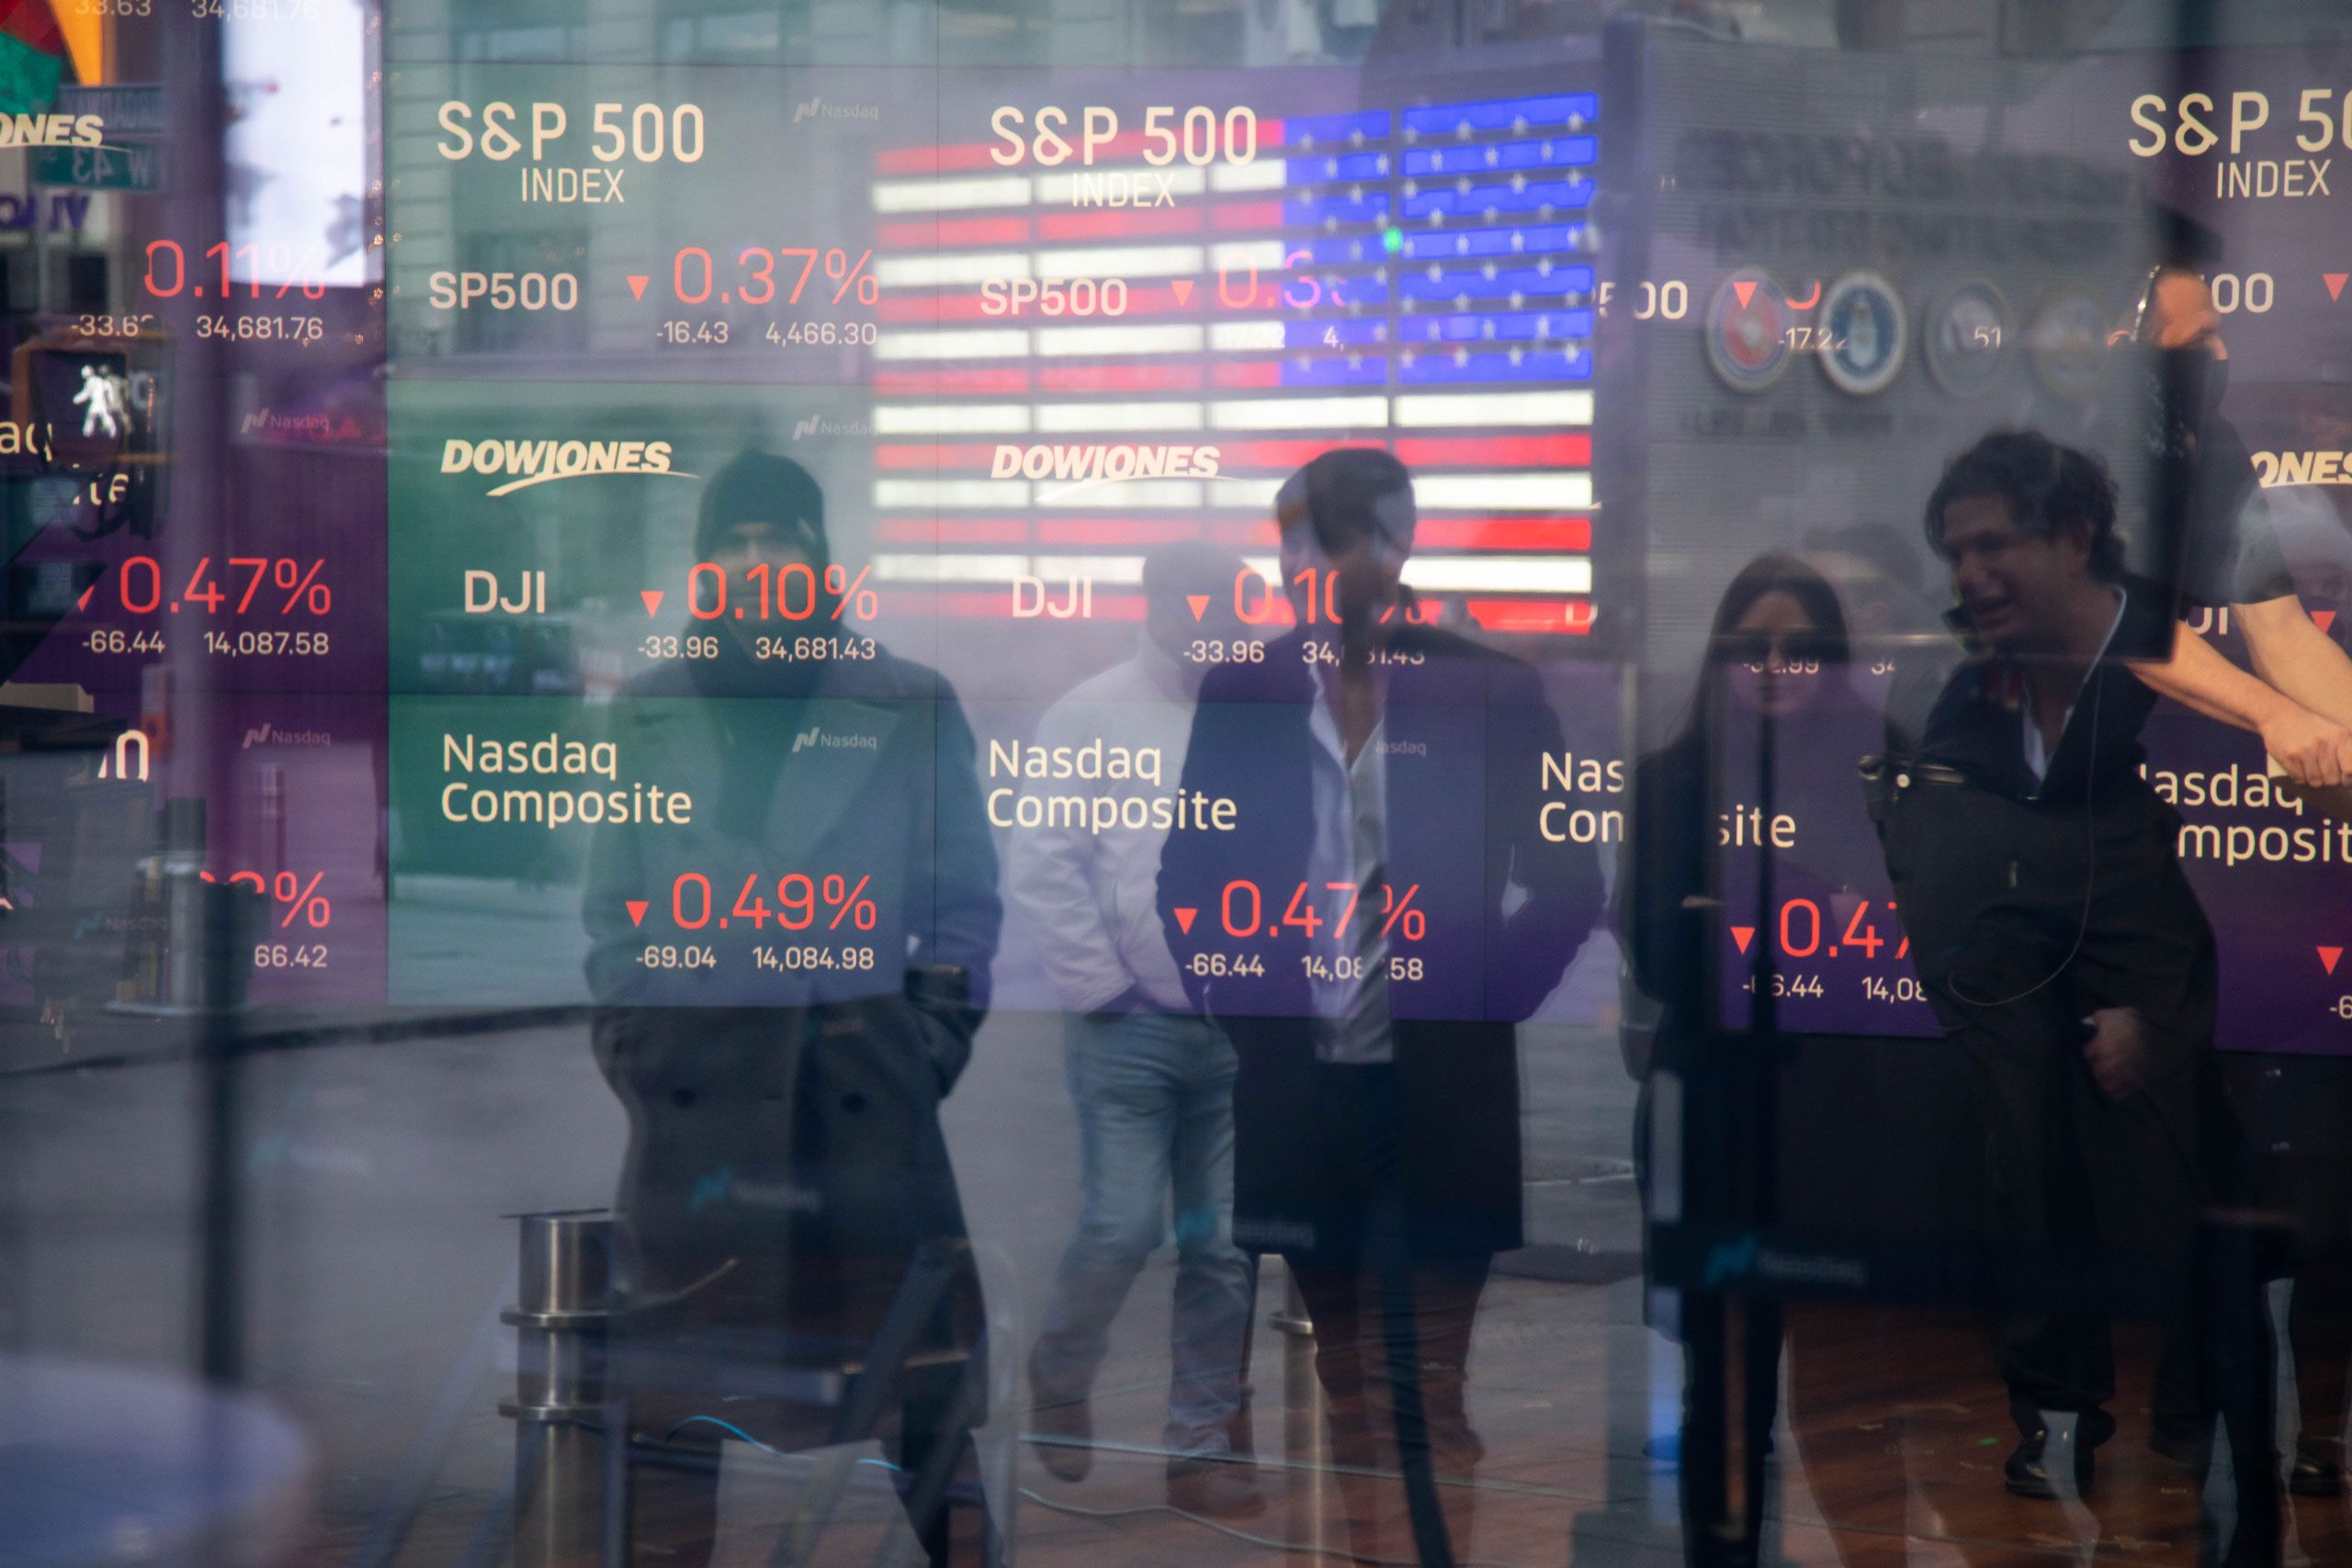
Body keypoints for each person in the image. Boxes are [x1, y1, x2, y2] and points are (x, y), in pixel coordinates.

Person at [1157, 448, 1605, 1564]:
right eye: (1288, 547)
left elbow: (1569, 882)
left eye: (1319, 543)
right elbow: (1188, 880)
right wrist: (1246, 1007)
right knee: (1350, 1390)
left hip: (1438, 1093)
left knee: (1423, 1396)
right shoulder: (1246, 689)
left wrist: (1475, 995)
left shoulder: (1485, 687)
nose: (1299, 566)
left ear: (1386, 549)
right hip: (1298, 1092)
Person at [581, 451, 1002, 1565]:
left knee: (926, 1412)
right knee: (672, 1427)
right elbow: (616, 913)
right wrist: (638, 1043)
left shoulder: (910, 700)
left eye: (782, 540)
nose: (760, 563)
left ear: (820, 557)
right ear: (707, 565)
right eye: (738, 543)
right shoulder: (650, 705)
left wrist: (922, 1047)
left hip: (864, 1105)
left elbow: (963, 905)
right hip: (695, 1119)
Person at [1871, 431, 2278, 1559]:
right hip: (1974, 865)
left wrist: (2285, 718)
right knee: (2025, 1146)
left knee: (2169, 1135)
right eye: (1955, 550)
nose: (1970, 571)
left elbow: (2148, 640)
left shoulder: (2125, 604)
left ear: (2072, 539)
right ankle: (2052, 1414)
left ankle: (2193, 1403)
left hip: (2111, 853)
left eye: (1994, 544)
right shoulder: (1961, 654)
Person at [1009, 540, 1264, 1518]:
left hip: (1237, 1021)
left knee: (1223, 1246)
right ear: (1156, 604)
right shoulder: (1090, 712)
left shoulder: (1264, 713)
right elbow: (1044, 859)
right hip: (1126, 1025)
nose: (1213, 621)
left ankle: (1197, 1446)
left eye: (1226, 604)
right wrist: (1102, 986)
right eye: (1195, 603)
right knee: (1122, 1226)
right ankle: (1061, 1370)